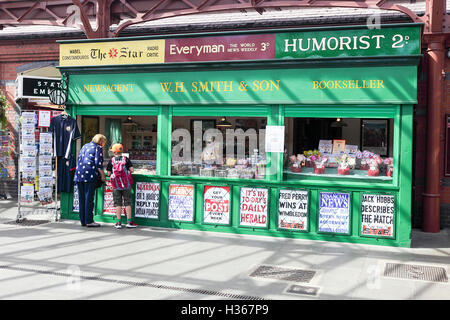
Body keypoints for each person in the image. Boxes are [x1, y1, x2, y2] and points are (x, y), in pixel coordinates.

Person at [74, 134, 106, 227]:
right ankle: (89, 221)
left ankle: (83, 220)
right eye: (104, 142)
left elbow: (79, 159)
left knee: (82, 198)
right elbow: (98, 164)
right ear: (101, 141)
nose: (103, 144)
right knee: (89, 199)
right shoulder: (98, 148)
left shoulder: (85, 146)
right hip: (90, 175)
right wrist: (103, 176)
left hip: (79, 175)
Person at [106, 143, 137, 229]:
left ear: (114, 152)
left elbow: (108, 173)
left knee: (117, 203)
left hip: (116, 185)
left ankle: (118, 222)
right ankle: (129, 222)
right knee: (127, 202)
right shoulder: (126, 159)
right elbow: (132, 170)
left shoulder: (111, 161)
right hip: (126, 185)